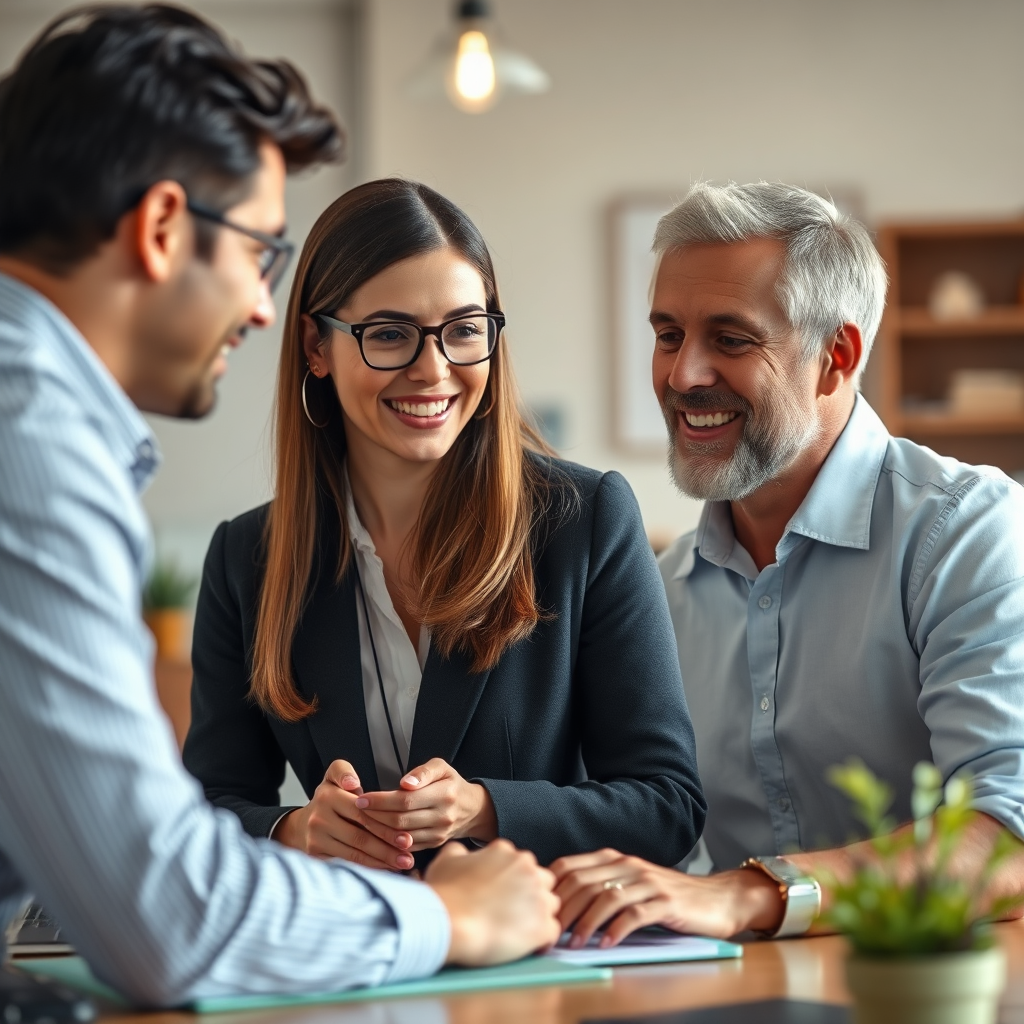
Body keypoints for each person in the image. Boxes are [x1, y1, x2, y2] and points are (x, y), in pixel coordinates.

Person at [0, 5, 561, 1005]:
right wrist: (452, 917)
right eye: (260, 252)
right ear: (163, 227)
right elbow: (165, 909)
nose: (262, 307)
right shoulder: (30, 438)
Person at [182, 177, 706, 874]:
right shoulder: (247, 558)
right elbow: (205, 810)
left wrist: (485, 809)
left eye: (463, 331)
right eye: (390, 334)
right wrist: (292, 829)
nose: (433, 371)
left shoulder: (585, 521)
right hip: (355, 959)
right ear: (315, 346)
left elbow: (667, 806)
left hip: (538, 962)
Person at [551, 181, 1024, 946]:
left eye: (730, 340)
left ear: (835, 357)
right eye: (668, 334)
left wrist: (751, 894)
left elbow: (1006, 835)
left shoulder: (967, 532)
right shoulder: (658, 596)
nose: (682, 375)